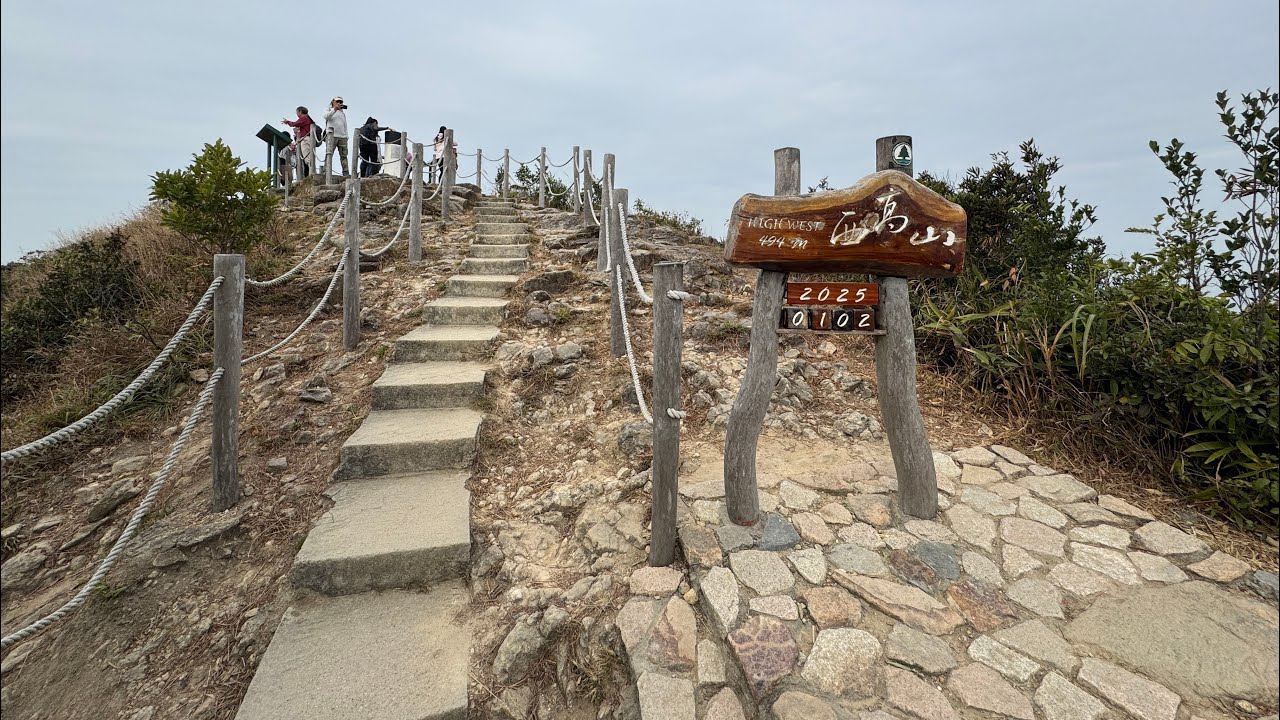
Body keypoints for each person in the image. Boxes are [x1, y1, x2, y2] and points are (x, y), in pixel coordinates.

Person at [282, 106, 317, 178]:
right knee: (308, 157)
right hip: (308, 139)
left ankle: (312, 174)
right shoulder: (308, 118)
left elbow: (295, 124)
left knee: (307, 157)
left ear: (300, 111)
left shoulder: (304, 117)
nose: (296, 114)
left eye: (297, 112)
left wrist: (288, 122)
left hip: (306, 139)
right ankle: (312, 173)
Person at [323, 96, 350, 178]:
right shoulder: (328, 109)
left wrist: (346, 136)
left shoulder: (342, 113)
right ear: (333, 102)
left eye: (341, 102)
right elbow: (326, 116)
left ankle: (345, 171)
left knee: (344, 155)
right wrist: (334, 109)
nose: (339, 103)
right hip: (332, 135)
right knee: (329, 154)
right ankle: (326, 171)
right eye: (337, 101)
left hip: (342, 136)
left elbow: (345, 125)